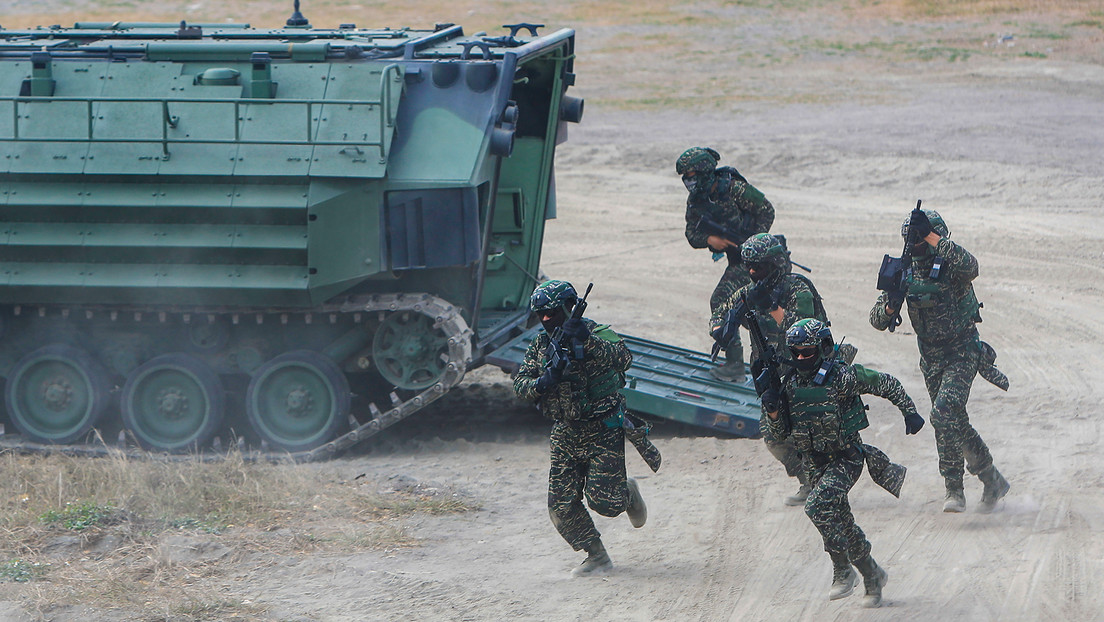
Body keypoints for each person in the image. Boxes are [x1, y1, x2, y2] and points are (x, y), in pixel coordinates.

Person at [762, 318, 925, 607]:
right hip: (814, 464)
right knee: (843, 523)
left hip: (846, 458)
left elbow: (885, 383)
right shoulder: (789, 384)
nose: (801, 358)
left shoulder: (841, 378)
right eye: (796, 352)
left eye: (807, 352)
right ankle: (872, 575)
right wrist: (773, 410)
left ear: (822, 348)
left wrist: (908, 411)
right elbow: (780, 434)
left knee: (816, 507)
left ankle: (842, 570)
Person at [869, 208, 1011, 513]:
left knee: (943, 414)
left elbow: (972, 267)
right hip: (930, 357)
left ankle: (954, 489)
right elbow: (877, 320)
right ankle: (990, 479)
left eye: (920, 238)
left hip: (962, 350)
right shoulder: (903, 269)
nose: (915, 244)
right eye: (911, 239)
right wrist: (891, 306)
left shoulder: (951, 261)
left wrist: (933, 238)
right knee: (952, 421)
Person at [513, 279, 648, 576]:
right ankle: (596, 555)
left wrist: (587, 340)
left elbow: (624, 359)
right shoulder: (541, 344)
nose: (546, 319)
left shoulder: (597, 333)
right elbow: (521, 383)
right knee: (560, 504)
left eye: (552, 313)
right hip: (566, 431)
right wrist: (542, 382)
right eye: (541, 315)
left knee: (606, 503)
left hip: (602, 428)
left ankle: (627, 493)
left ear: (568, 308)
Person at [709, 232, 838, 507]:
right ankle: (809, 480)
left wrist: (771, 306)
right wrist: (720, 327)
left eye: (758, 267)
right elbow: (721, 310)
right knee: (773, 437)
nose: (752, 272)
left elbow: (804, 330)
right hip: (772, 373)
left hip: (805, 372)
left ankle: (824, 483)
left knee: (810, 435)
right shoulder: (749, 292)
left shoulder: (797, 290)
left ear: (774, 264)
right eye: (749, 267)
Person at [676, 147, 775, 381]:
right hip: (736, 258)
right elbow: (691, 233)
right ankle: (755, 356)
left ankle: (737, 364)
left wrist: (753, 243)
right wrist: (710, 240)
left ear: (704, 172)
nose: (688, 181)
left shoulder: (733, 188)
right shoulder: (697, 200)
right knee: (746, 311)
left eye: (692, 175)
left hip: (757, 260)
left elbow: (767, 211)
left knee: (723, 302)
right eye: (685, 177)